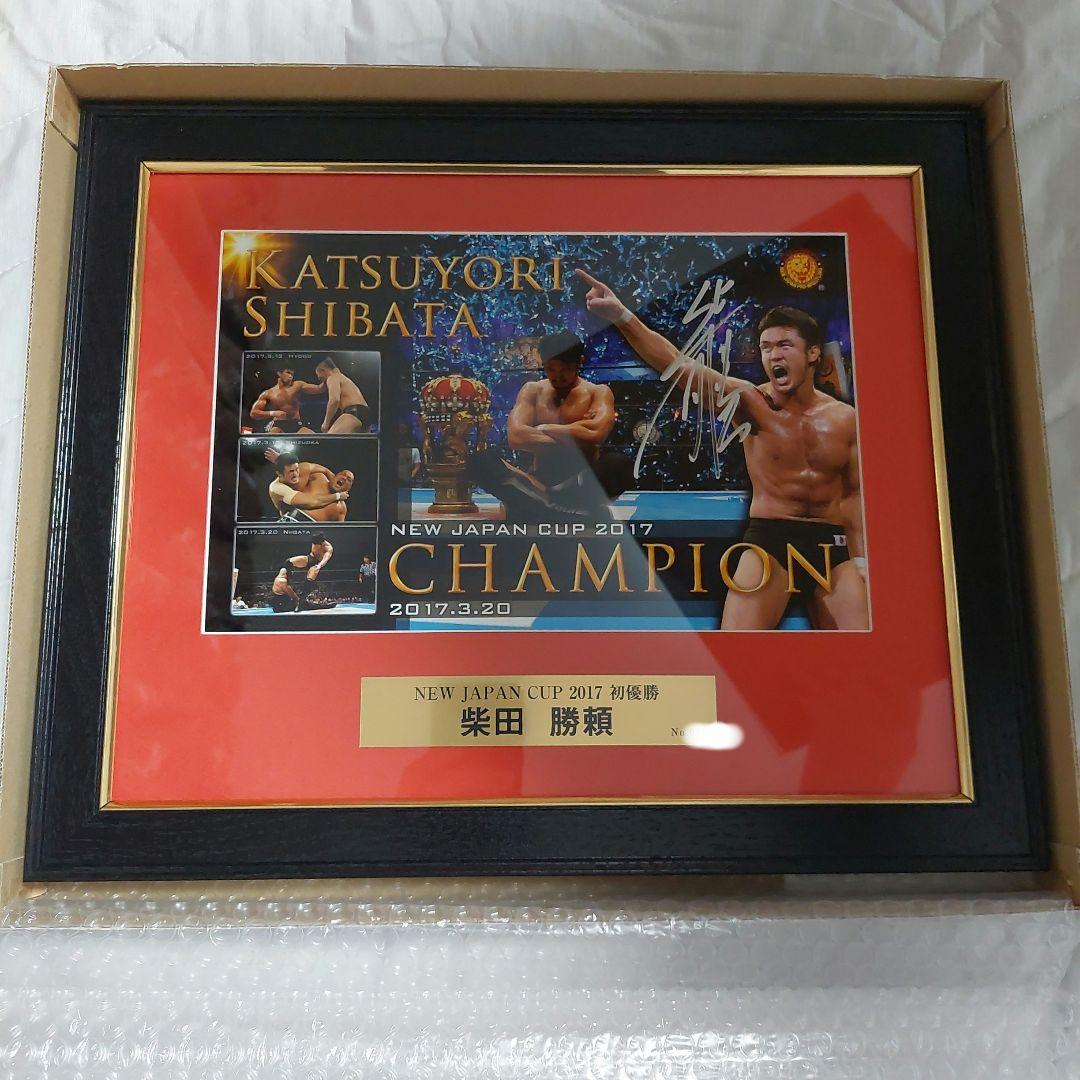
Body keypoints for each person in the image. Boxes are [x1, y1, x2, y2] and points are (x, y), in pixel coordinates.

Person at [576, 268, 868, 631]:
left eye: (784, 345)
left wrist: (861, 560)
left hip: (831, 543)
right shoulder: (750, 402)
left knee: (862, 645)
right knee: (737, 647)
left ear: (812, 353)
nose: (773, 355)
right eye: (766, 347)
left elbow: (853, 494)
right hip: (771, 538)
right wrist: (622, 315)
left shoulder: (844, 418)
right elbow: (677, 365)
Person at [471, 331, 633, 521]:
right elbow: (516, 437)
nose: (557, 376)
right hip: (539, 483)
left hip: (580, 482)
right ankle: (560, 508)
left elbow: (596, 433)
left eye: (564, 370)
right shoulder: (533, 390)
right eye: (550, 369)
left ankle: (540, 506)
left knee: (618, 464)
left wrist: (545, 428)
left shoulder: (598, 392)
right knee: (481, 462)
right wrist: (576, 434)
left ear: (579, 362)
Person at [266, 452, 350, 522]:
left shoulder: (305, 469)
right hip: (292, 520)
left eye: (297, 469)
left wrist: (334, 480)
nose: (295, 474)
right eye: (291, 471)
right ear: (280, 474)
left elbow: (325, 470)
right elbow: (311, 503)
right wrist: (337, 496)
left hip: (314, 531)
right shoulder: (276, 488)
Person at [248, 366, 323, 433]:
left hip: (296, 423)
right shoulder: (268, 393)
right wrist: (273, 413)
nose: (290, 376)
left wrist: (328, 377)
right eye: (288, 373)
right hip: (278, 425)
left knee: (315, 438)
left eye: (292, 374)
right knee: (270, 439)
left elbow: (319, 388)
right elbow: (253, 413)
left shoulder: (297, 385)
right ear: (279, 373)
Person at [315, 357, 372, 433]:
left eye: (319, 376)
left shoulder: (332, 377)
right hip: (365, 413)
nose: (319, 379)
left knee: (328, 439)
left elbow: (334, 400)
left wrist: (326, 423)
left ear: (323, 370)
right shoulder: (343, 378)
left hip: (354, 413)